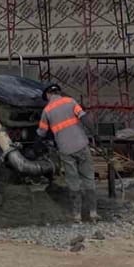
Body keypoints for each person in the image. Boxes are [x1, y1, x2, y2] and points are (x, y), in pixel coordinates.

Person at [36, 81, 98, 223]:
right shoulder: (70, 101)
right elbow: (84, 118)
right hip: (82, 145)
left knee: (73, 181)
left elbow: (41, 132)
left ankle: (77, 215)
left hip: (65, 149)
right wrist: (95, 134)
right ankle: (93, 213)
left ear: (48, 95)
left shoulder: (47, 110)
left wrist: (36, 147)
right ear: (59, 92)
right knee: (88, 178)